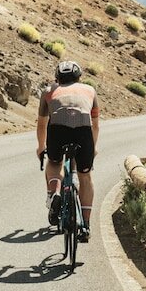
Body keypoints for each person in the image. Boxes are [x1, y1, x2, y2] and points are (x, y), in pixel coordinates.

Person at [36, 60, 99, 242]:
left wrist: (41, 147)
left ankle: (55, 192)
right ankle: (85, 226)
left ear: (57, 77)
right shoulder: (90, 90)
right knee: (85, 176)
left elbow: (41, 125)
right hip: (83, 130)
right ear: (79, 77)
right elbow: (95, 125)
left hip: (58, 129)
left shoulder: (48, 92)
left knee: (55, 162)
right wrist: (92, 148)